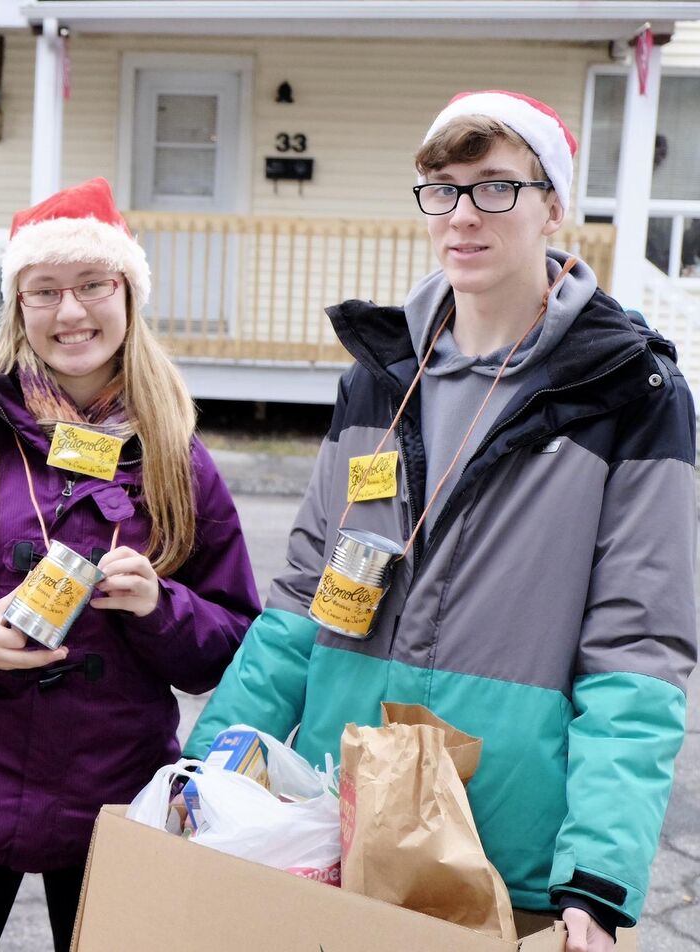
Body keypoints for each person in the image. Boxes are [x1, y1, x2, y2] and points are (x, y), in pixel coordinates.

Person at [187, 90, 696, 952]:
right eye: (442, 187)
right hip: (334, 823)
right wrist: (202, 775)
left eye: (495, 187)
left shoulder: (630, 393)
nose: (462, 215)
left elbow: (636, 653)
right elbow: (304, 598)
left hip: (501, 851)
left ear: (553, 204)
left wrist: (598, 883)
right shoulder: (379, 378)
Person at [0, 176, 260, 952]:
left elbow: (231, 640)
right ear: (19, 306)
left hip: (115, 797)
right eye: (44, 291)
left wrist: (158, 607)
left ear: (127, 293)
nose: (70, 313)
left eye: (91, 285)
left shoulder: (178, 457)